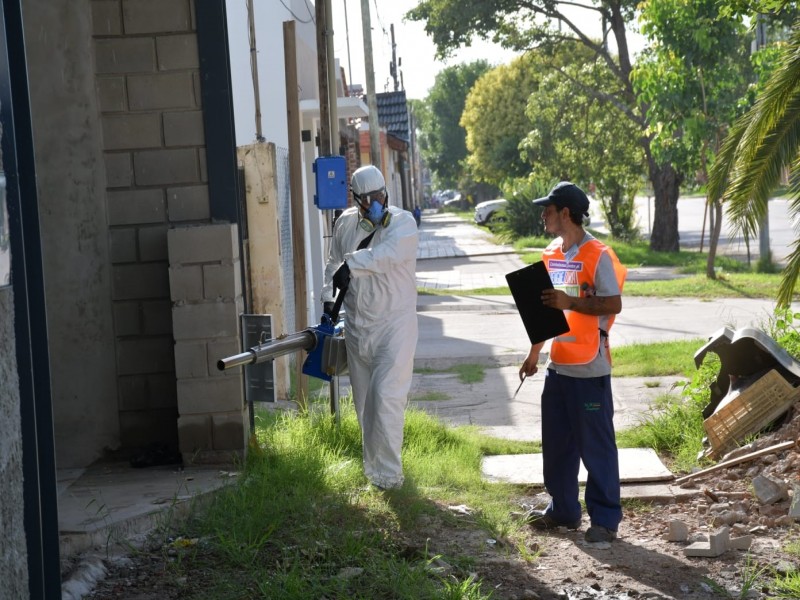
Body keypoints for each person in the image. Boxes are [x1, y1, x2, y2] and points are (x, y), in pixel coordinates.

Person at [519, 181, 627, 543]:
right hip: (559, 365)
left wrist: (571, 303)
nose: (543, 215)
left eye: (547, 210)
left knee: (596, 446)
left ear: (566, 213)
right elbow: (545, 309)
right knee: (558, 446)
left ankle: (606, 519)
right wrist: (534, 353)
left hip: (590, 367)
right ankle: (563, 510)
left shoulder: (597, 254)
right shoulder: (551, 253)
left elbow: (612, 304)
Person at [321, 165, 419, 490]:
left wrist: (353, 265)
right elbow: (333, 262)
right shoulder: (345, 224)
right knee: (365, 406)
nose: (376, 203)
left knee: (386, 398)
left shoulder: (403, 223)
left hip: (395, 327)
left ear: (385, 191)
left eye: (380, 195)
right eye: (369, 198)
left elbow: (386, 256)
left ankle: (391, 478)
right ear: (356, 199)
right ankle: (373, 474)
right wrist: (327, 298)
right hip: (357, 329)